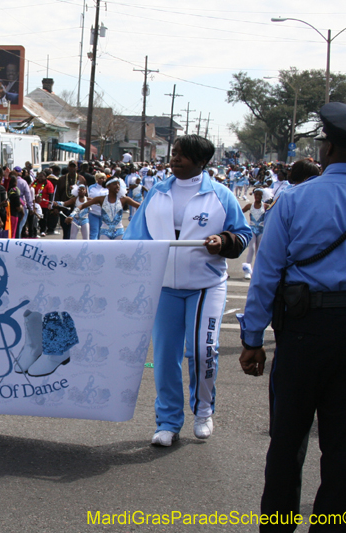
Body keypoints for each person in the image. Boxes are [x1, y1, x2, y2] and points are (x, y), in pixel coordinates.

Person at [238, 102, 346, 531]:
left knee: (287, 442)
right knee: (345, 448)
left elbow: (266, 276)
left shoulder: (294, 200)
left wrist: (253, 337)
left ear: (327, 149)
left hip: (303, 333)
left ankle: (277, 526)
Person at [125, 134, 251, 446]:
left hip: (205, 286)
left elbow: (243, 234)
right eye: (175, 153)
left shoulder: (220, 195)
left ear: (200, 161)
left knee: (202, 350)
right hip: (165, 287)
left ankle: (204, 410)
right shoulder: (158, 191)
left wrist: (224, 242)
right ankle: (168, 421)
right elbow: (134, 235)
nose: (175, 159)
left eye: (182, 155)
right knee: (166, 357)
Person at [75, 177, 141, 240]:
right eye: (115, 184)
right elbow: (82, 206)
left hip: (119, 231)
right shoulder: (101, 199)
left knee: (119, 251)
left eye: (118, 184)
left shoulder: (124, 199)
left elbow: (140, 206)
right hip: (104, 232)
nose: (117, 186)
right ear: (108, 186)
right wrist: (72, 215)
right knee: (104, 251)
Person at [241, 188, 266, 279]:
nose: (258, 197)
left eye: (260, 195)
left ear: (263, 196)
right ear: (254, 195)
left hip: (262, 230)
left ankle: (258, 270)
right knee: (251, 248)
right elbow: (239, 212)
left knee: (259, 250)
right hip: (252, 229)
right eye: (256, 195)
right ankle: (247, 269)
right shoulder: (249, 206)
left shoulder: (266, 206)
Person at [87, 171, 107, 240]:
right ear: (97, 179)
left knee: (102, 232)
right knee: (94, 232)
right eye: (100, 178)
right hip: (93, 212)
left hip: (104, 213)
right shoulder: (91, 187)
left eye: (104, 178)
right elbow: (87, 198)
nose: (102, 180)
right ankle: (93, 247)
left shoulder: (108, 188)